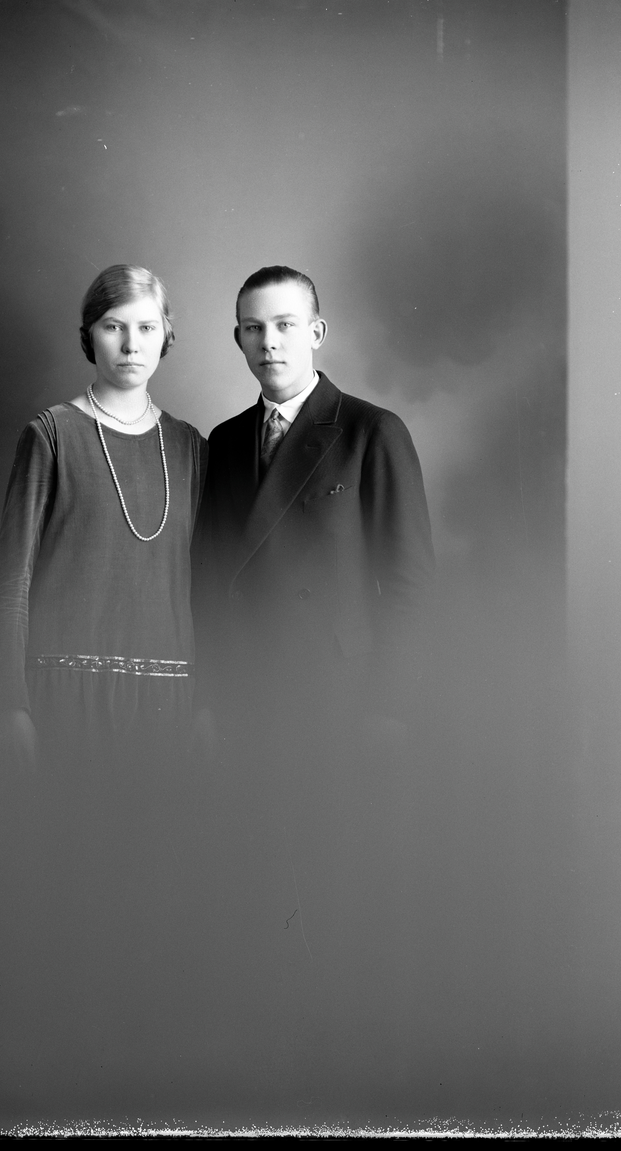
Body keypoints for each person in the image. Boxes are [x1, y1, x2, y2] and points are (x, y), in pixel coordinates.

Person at [193, 264, 435, 1098]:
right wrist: (208, 700)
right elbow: (205, 583)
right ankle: (262, 1072)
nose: (269, 342)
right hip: (247, 707)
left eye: (285, 324)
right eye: (252, 328)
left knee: (338, 890)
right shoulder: (224, 442)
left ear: (317, 332)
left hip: (341, 707)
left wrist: (389, 709)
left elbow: (410, 585)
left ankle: (348, 1073)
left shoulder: (371, 431)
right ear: (236, 339)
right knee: (254, 886)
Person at [0, 264, 208, 1085]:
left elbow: (205, 588)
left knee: (155, 885)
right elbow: (10, 580)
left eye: (146, 327)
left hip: (166, 702)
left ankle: (144, 1067)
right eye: (114, 325)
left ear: (167, 336)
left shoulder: (190, 447)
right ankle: (64, 1066)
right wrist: (11, 705)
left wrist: (206, 703)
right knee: (68, 882)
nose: (130, 343)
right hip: (64, 697)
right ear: (89, 335)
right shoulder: (50, 434)